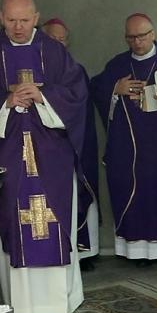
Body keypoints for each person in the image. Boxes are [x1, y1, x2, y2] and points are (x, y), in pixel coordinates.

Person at [0, 0, 90, 313]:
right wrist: (5, 101)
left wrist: (44, 96)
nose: (18, 27)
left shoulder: (55, 52)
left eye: (25, 20)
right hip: (8, 156)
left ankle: (61, 301)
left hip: (52, 160)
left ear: (37, 17)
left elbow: (77, 94)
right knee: (13, 225)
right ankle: (23, 304)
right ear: (0, 17)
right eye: (12, 20)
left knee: (55, 222)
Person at [90, 13, 157, 264]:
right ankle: (138, 251)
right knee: (135, 193)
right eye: (131, 37)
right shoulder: (118, 65)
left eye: (142, 36)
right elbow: (95, 89)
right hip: (130, 148)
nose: (137, 42)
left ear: (153, 34)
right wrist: (115, 89)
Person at [41, 16, 100, 262]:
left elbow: (81, 111)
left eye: (61, 39)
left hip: (72, 145)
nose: (57, 44)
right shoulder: (32, 72)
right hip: (43, 149)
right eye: (52, 39)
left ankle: (83, 251)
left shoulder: (75, 71)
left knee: (76, 194)